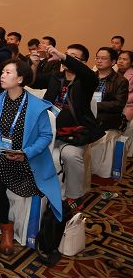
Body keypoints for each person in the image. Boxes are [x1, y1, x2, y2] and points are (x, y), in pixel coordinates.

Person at [0, 59, 62, 255]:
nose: (2, 75)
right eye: (2, 71)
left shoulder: (36, 106)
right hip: (3, 156)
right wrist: (1, 149)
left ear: (20, 79)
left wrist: (26, 153)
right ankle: (6, 227)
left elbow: (46, 136)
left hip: (29, 161)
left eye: (8, 72)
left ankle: (6, 228)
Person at [42, 44, 104, 211]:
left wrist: (63, 57)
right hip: (49, 130)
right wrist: (35, 63)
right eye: (66, 54)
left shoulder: (87, 81)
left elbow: (87, 74)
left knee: (71, 155)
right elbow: (33, 79)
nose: (65, 58)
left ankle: (75, 195)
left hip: (74, 134)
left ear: (82, 63)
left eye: (72, 57)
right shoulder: (56, 77)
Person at [93, 47, 128, 130]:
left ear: (113, 62)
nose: (99, 61)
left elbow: (118, 104)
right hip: (87, 115)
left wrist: (94, 105)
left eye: (103, 58)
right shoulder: (89, 76)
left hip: (107, 118)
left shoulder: (121, 81)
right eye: (97, 58)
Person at [117, 50, 133, 121]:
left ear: (131, 62)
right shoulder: (112, 71)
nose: (120, 61)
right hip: (112, 104)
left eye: (124, 59)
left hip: (128, 105)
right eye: (119, 58)